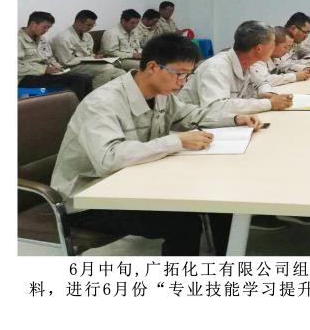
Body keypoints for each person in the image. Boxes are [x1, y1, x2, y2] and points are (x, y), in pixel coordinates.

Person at [50, 33, 262, 256]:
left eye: (187, 75)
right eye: (179, 74)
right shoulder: (102, 103)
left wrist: (234, 119)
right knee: (183, 224)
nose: (182, 82)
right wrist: (176, 141)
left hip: (132, 181)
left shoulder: (161, 93)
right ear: (152, 67)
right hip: (88, 199)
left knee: (217, 198)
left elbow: (190, 114)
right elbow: (108, 158)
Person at [179, 21, 294, 114]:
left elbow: (261, 83)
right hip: (187, 129)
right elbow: (216, 107)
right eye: (273, 43)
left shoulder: (249, 63)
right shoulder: (216, 67)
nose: (274, 47)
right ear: (259, 48)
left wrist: (268, 95)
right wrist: (269, 104)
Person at [17, 11, 93, 100]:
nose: (46, 31)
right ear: (33, 24)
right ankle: (74, 107)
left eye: (48, 28)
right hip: (25, 79)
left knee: (85, 78)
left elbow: (50, 58)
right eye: (45, 27)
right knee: (78, 81)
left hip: (43, 75)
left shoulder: (42, 39)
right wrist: (44, 69)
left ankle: (85, 106)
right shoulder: (18, 39)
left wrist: (58, 67)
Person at [49, 10, 124, 91]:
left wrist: (95, 57)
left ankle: (112, 95)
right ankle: (93, 95)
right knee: (107, 68)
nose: (91, 28)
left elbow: (89, 53)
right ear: (78, 22)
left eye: (93, 25)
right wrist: (89, 58)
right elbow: (66, 62)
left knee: (121, 73)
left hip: (86, 64)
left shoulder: (87, 35)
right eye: (89, 25)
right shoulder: (63, 38)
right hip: (70, 67)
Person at [249, 26, 310, 93]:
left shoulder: (276, 57)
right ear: (273, 45)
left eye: (289, 47)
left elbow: (286, 65)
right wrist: (294, 76)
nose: (287, 51)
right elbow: (265, 80)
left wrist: (304, 69)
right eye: (286, 47)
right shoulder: (257, 59)